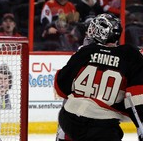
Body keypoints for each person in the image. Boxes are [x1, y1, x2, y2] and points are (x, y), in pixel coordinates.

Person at [54, 13, 143, 141]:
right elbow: (136, 95)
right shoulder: (130, 55)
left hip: (69, 121)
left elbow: (61, 87)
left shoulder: (85, 51)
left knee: (71, 99)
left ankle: (62, 136)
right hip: (103, 127)